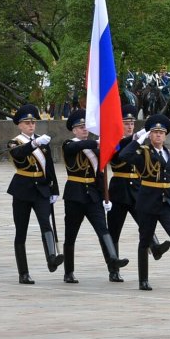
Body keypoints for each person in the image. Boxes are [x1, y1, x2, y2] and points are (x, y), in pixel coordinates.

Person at [117, 114, 170, 291]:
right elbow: (124, 156)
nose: (158, 135)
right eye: (155, 132)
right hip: (147, 201)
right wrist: (136, 141)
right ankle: (143, 280)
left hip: (165, 201)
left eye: (161, 133)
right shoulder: (143, 153)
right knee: (145, 240)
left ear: (165, 135)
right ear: (150, 135)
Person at [59, 109, 129, 283]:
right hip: (75, 195)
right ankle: (69, 271)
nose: (84, 130)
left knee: (102, 230)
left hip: (93, 196)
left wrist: (123, 140)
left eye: (86, 127)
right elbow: (77, 147)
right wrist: (97, 143)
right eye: (80, 127)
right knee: (71, 235)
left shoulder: (95, 147)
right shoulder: (69, 144)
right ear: (73, 130)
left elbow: (114, 153)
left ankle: (113, 261)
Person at [106, 104, 170, 282]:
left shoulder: (139, 140)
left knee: (145, 221)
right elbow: (118, 154)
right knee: (114, 230)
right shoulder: (113, 140)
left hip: (136, 188)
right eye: (126, 123)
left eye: (132, 123)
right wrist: (134, 139)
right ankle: (114, 268)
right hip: (119, 188)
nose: (129, 126)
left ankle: (155, 246)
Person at [6, 104, 63, 285]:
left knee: (46, 224)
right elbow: (19, 154)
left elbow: (49, 166)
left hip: (41, 188)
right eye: (27, 123)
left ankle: (51, 257)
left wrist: (54, 189)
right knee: (21, 231)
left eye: (33, 122)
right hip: (22, 188)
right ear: (19, 125)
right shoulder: (15, 142)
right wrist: (35, 143)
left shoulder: (41, 140)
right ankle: (23, 272)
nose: (31, 125)